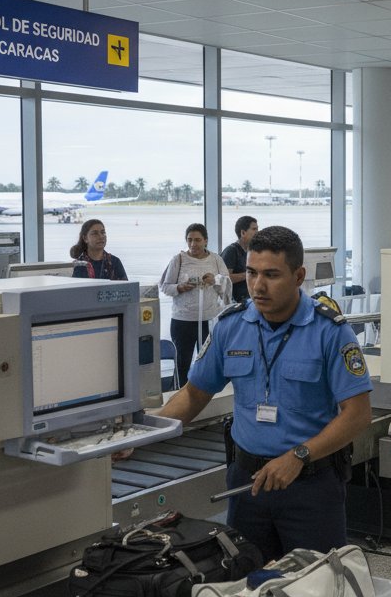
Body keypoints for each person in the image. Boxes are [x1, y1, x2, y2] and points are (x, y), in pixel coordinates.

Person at [156, 226, 372, 560]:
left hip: (310, 485)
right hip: (248, 484)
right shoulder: (232, 325)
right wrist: (145, 433)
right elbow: (195, 393)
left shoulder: (330, 331)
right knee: (248, 588)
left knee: (318, 589)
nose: (258, 285)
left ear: (298, 275)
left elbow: (357, 414)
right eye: (253, 273)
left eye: (271, 275)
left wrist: (298, 456)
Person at [160, 224, 233, 388]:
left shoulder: (216, 259)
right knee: (182, 362)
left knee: (209, 361)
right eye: (190, 240)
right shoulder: (178, 259)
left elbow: (227, 286)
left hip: (209, 319)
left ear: (206, 241)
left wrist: (215, 280)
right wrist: (179, 288)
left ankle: (207, 395)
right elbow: (165, 286)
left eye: (198, 240)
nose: (193, 244)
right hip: (183, 320)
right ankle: (179, 394)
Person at [221, 215, 258, 304]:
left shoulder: (252, 250)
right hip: (236, 303)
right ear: (243, 233)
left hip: (250, 300)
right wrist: (249, 274)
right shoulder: (231, 251)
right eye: (254, 229)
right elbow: (223, 278)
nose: (258, 232)